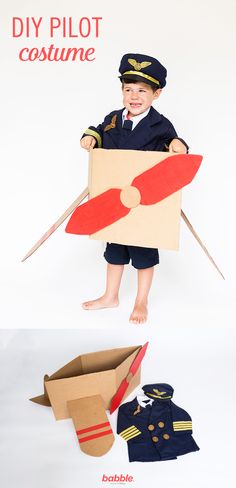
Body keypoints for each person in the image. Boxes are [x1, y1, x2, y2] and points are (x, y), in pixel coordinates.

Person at [80, 53, 188, 324]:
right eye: (128, 89)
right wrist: (90, 136)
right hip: (114, 201)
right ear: (122, 91)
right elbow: (100, 129)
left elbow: (174, 146)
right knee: (114, 249)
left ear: (157, 93)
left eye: (142, 90)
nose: (134, 96)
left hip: (144, 206)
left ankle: (141, 301)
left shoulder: (160, 125)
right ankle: (110, 295)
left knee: (143, 254)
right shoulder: (114, 119)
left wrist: (178, 145)